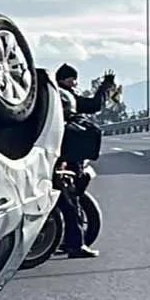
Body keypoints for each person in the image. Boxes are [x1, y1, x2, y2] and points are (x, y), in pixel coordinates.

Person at [53, 63, 112, 258]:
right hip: (63, 161)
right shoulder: (60, 98)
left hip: (59, 159)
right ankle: (75, 245)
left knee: (71, 199)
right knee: (70, 201)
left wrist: (104, 88)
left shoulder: (56, 96)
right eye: (71, 78)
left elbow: (92, 105)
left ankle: (70, 241)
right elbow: (93, 105)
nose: (74, 82)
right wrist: (105, 88)